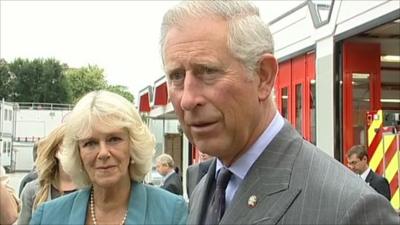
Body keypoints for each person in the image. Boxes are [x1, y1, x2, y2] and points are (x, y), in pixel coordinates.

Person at [160, 1, 399, 224]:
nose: (188, 99)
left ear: (263, 76)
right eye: (176, 76)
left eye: (208, 71)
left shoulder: (352, 210)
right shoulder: (205, 187)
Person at [29, 90, 187, 225]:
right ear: (78, 154)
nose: (103, 153)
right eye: (90, 143)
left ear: (133, 145)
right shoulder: (48, 217)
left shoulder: (171, 213)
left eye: (114, 139)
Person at [18, 124, 77, 225]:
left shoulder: (94, 190)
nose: (74, 152)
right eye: (69, 146)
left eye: (77, 146)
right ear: (56, 151)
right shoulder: (32, 190)